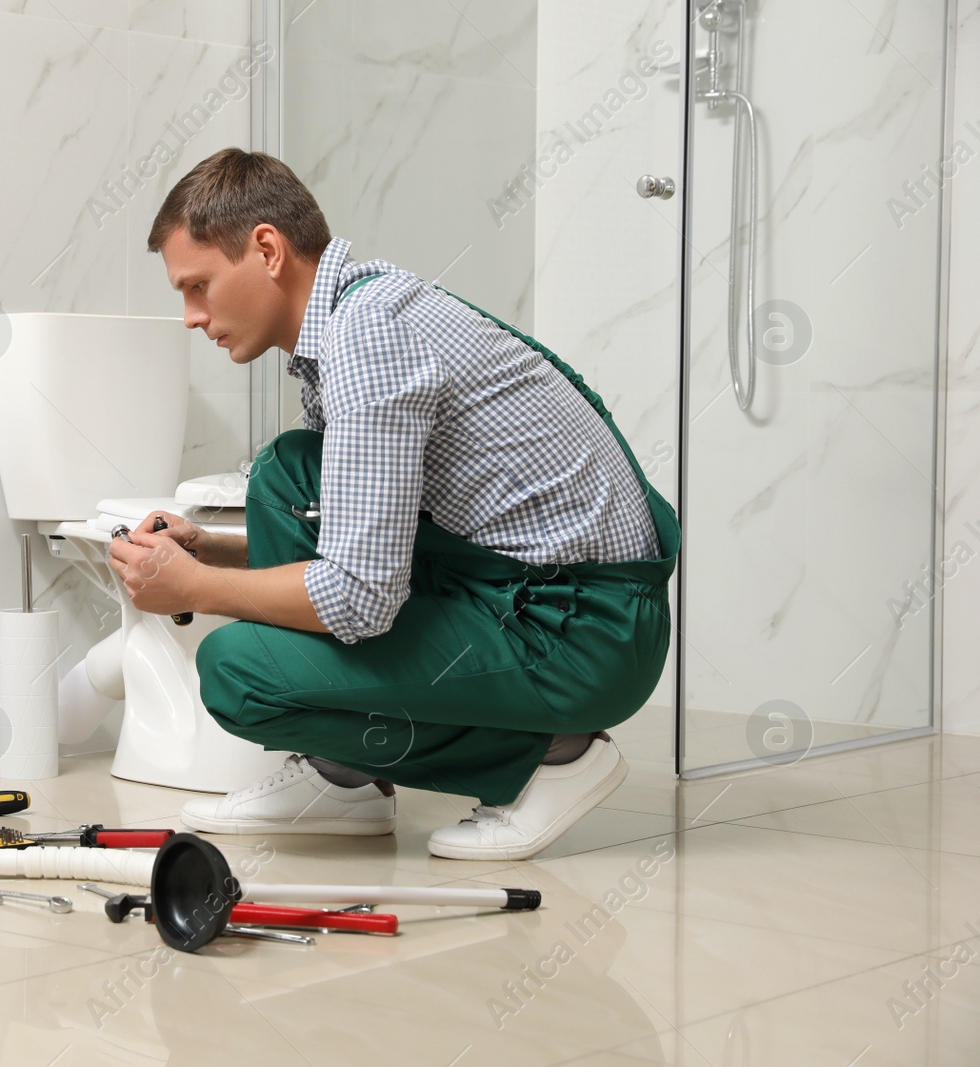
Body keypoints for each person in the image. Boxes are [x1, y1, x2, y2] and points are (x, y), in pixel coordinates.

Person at [106, 148, 680, 860]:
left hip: (583, 633)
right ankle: (341, 780)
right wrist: (213, 549)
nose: (192, 316)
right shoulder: (354, 313)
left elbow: (359, 597)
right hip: (535, 589)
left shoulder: (367, 334)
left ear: (266, 248)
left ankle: (554, 756)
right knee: (287, 477)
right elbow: (364, 528)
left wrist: (198, 589)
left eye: (198, 286)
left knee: (236, 671)